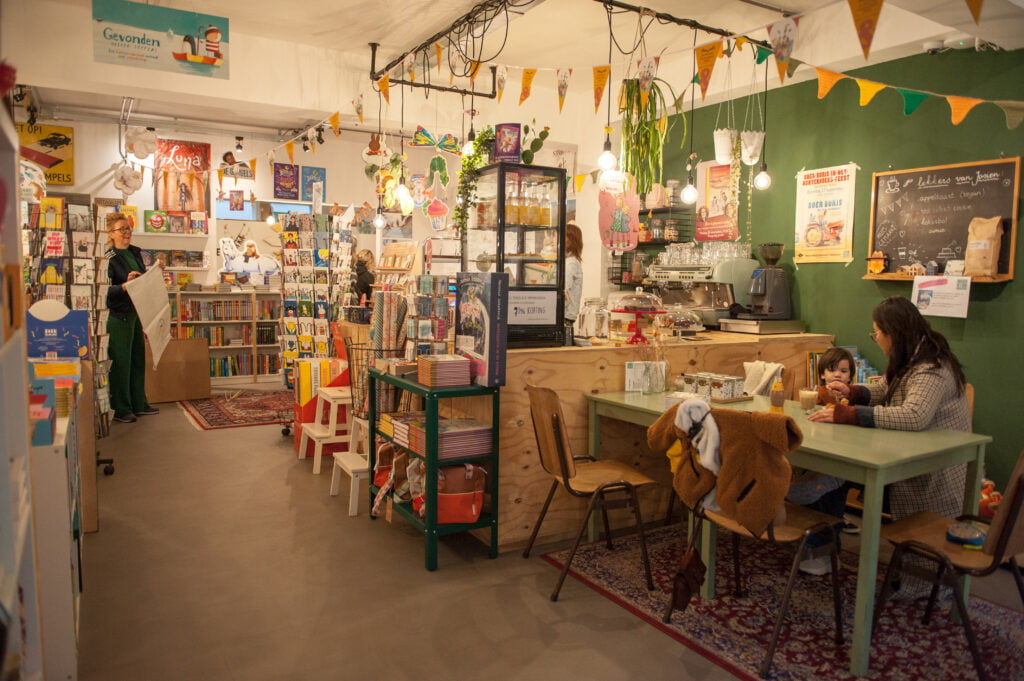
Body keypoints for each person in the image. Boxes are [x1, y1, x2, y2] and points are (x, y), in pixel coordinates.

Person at [809, 295, 969, 518]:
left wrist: (852, 414)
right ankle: (824, 526)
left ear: (892, 334)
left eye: (876, 333)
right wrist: (852, 392)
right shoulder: (910, 356)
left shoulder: (932, 367)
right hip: (905, 449)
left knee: (838, 474)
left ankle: (821, 526)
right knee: (834, 475)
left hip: (930, 468)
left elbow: (914, 415)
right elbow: (885, 388)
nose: (876, 339)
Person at [787, 346, 857, 574]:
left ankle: (824, 551)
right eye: (832, 370)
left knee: (823, 496)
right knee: (804, 494)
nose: (838, 375)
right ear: (822, 375)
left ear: (851, 377)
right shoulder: (815, 396)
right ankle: (815, 546)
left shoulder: (854, 403)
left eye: (844, 371)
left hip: (842, 460)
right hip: (816, 458)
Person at [105, 213, 159, 423]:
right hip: (118, 315)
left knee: (137, 360)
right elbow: (104, 291)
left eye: (128, 228)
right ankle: (121, 408)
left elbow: (140, 281)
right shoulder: (107, 256)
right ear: (111, 233)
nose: (127, 232)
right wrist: (124, 286)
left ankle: (139, 403)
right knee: (121, 363)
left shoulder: (135, 253)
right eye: (121, 229)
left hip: (136, 312)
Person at [564, 223, 583, 343]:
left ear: (570, 240)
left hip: (565, 316)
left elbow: (563, 287)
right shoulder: (568, 261)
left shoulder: (570, 263)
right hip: (566, 315)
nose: (554, 240)